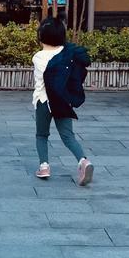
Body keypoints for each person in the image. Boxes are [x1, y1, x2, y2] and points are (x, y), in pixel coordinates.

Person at [32, 16, 93, 186]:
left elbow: (41, 82)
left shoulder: (38, 57)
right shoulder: (68, 54)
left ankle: (44, 167)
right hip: (63, 101)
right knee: (68, 136)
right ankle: (83, 161)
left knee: (41, 135)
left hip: (43, 101)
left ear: (41, 37)